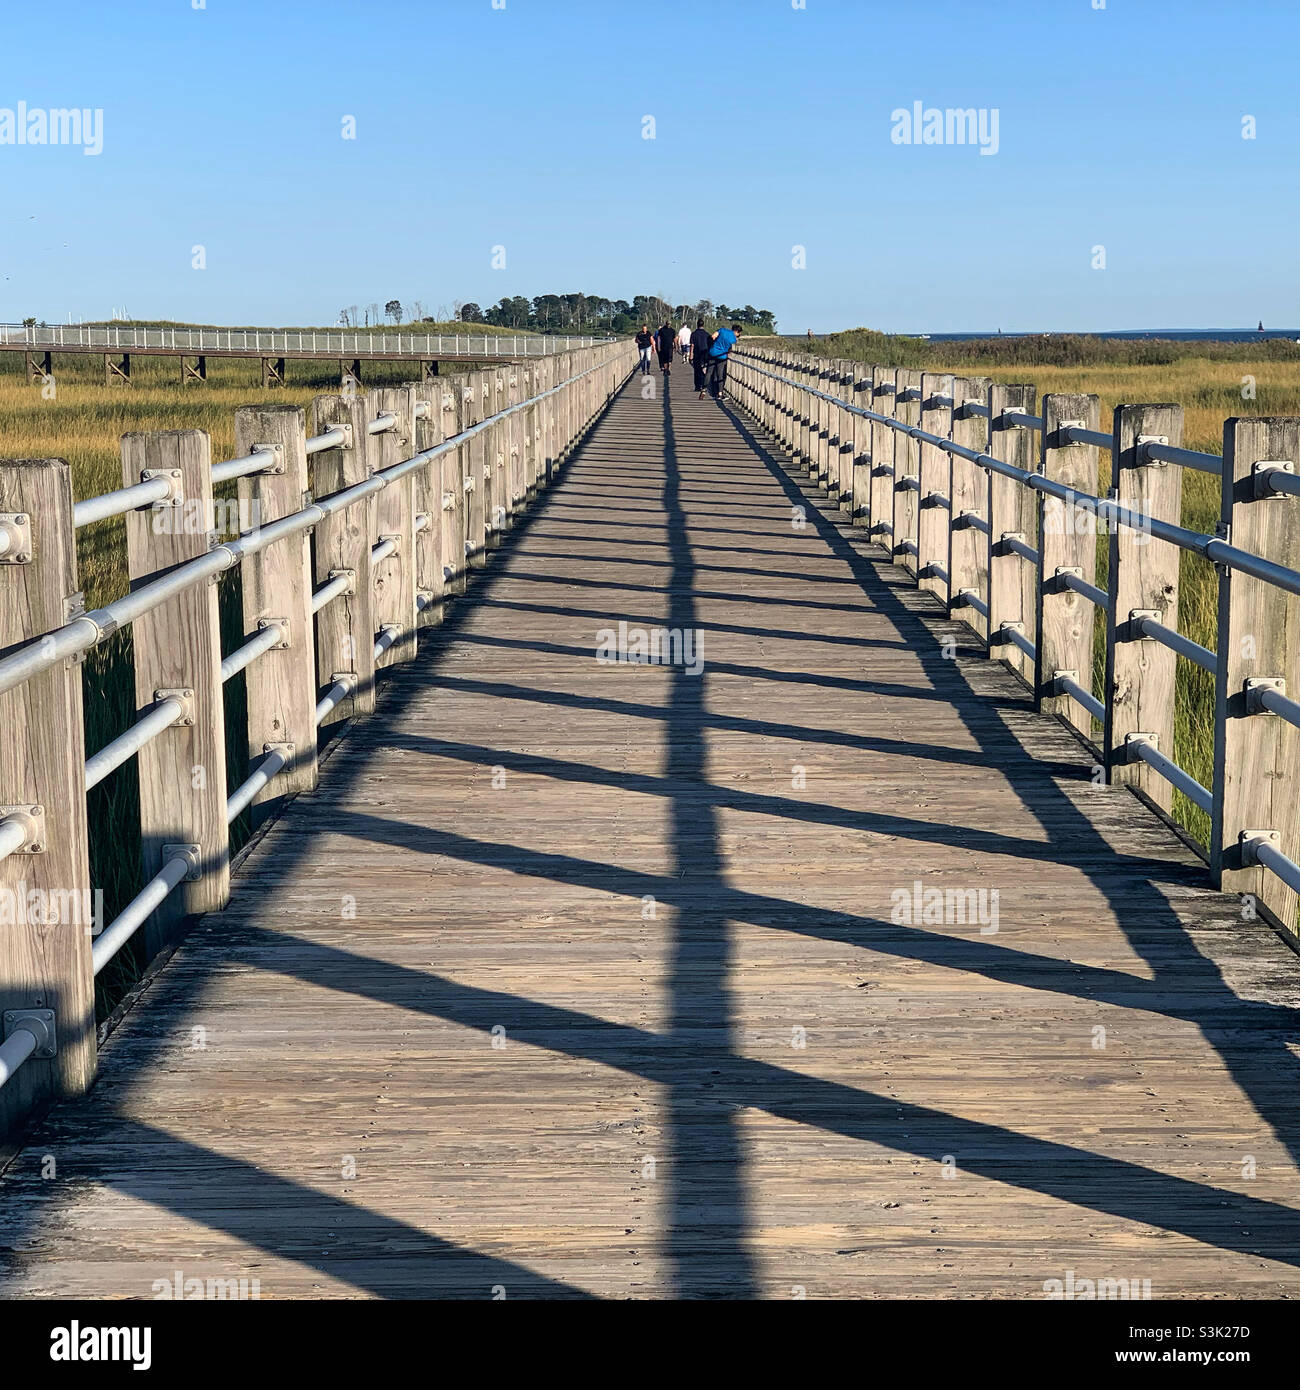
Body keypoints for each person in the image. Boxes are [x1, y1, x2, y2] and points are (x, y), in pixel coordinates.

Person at [706, 322, 742, 402]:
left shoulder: (722, 330)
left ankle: (703, 389)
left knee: (709, 372)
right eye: (739, 333)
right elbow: (730, 350)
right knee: (720, 375)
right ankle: (720, 394)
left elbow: (713, 336)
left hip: (713, 353)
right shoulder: (734, 339)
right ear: (737, 332)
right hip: (722, 357)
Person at [689, 318, 712, 394]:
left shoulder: (693, 334)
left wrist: (690, 355)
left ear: (697, 324)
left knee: (696, 370)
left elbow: (692, 345)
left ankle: (697, 386)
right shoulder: (707, 334)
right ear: (703, 325)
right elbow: (710, 345)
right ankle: (703, 384)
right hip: (705, 354)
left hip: (697, 354)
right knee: (704, 369)